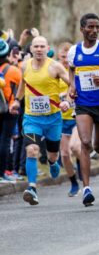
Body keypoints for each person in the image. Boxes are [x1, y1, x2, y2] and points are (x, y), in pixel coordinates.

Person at [9, 36, 71, 205]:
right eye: (36, 46)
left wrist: (67, 100)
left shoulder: (55, 66)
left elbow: (72, 84)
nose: (38, 49)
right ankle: (32, 188)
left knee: (52, 155)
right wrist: (16, 100)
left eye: (42, 46)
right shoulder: (24, 66)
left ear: (47, 48)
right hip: (32, 118)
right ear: (31, 49)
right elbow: (23, 85)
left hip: (53, 119)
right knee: (32, 150)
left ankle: (52, 162)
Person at [67, 13, 99, 206]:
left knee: (98, 147)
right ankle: (87, 188)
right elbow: (72, 69)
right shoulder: (74, 51)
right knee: (85, 142)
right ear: (82, 29)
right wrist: (72, 85)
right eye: (90, 27)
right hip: (83, 104)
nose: (94, 31)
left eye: (97, 27)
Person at [56, 42, 81, 196]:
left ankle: (82, 167)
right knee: (64, 154)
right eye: (63, 57)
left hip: (77, 116)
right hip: (61, 119)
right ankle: (73, 183)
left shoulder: (77, 71)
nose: (65, 60)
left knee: (76, 147)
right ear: (59, 56)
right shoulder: (55, 71)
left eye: (68, 57)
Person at [0, 39, 22, 183]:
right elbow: (21, 89)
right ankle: (2, 173)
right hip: (10, 109)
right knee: (5, 141)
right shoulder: (14, 71)